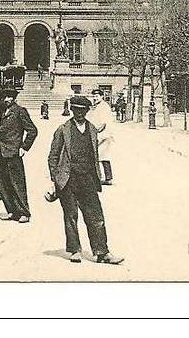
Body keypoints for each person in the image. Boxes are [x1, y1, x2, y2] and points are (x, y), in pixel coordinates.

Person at [48, 95, 124, 265]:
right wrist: (56, 179)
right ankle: (74, 250)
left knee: (96, 216)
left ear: (87, 111)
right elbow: (53, 156)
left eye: (83, 111)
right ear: (72, 110)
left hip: (88, 179)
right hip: (68, 180)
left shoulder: (92, 129)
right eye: (76, 110)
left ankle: (102, 252)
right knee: (71, 216)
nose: (79, 114)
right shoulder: (63, 130)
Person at [0, 88, 38, 222]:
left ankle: (24, 212)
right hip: (1, 152)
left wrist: (24, 147)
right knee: (4, 183)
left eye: (9, 97)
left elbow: (32, 130)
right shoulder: (3, 111)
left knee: (17, 183)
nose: (6, 99)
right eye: (4, 97)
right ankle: (12, 211)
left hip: (13, 152)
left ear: (14, 98)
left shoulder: (20, 111)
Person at [88, 89, 115, 185]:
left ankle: (101, 178)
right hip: (103, 135)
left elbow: (103, 123)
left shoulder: (103, 107)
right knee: (102, 156)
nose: (95, 98)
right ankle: (107, 178)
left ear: (102, 96)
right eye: (94, 96)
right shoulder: (99, 106)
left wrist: (95, 132)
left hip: (103, 135)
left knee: (99, 156)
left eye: (97, 96)